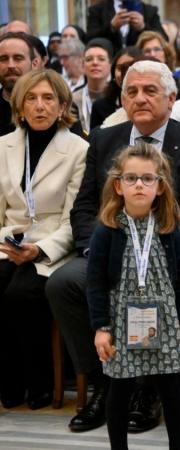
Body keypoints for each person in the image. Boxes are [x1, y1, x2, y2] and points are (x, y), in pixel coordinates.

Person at [47, 60, 180, 433]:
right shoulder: (105, 139)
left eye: (150, 91)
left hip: (167, 252)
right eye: (131, 91)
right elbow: (86, 204)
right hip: (109, 246)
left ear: (171, 98)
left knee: (160, 290)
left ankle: (147, 389)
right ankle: (105, 380)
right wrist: (93, 249)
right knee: (63, 283)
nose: (140, 98)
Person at [87, 143, 180, 450]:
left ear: (160, 186)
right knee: (119, 390)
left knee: (171, 390)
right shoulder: (106, 230)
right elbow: (94, 283)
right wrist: (101, 327)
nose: (139, 185)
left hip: (166, 318)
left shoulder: (169, 228)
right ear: (118, 185)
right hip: (121, 318)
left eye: (148, 178)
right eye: (131, 178)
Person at [0, 69, 88, 410]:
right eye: (31, 99)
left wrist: (40, 249)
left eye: (48, 98)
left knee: (21, 294)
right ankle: (9, 381)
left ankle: (39, 383)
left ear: (62, 105)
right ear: (20, 106)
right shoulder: (3, 146)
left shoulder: (78, 149)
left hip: (52, 243)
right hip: (8, 239)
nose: (39, 106)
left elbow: (73, 217)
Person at [86, 0, 167, 55]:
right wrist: (111, 27)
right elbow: (90, 40)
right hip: (110, 64)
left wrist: (143, 27)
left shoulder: (149, 11)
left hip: (140, 63)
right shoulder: (97, 10)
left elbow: (164, 40)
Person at [89, 47, 142, 129]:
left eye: (130, 67)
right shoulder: (99, 106)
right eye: (120, 68)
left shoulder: (144, 103)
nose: (124, 73)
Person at [0, 32, 42, 136]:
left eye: (18, 58)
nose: (11, 65)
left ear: (35, 64)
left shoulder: (56, 106)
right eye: (3, 59)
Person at [72, 38, 113, 137]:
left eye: (101, 59)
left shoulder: (116, 98)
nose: (95, 63)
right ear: (83, 65)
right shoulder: (73, 100)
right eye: (89, 59)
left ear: (110, 65)